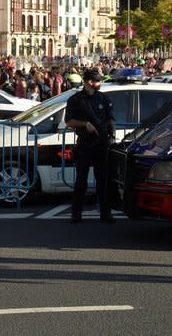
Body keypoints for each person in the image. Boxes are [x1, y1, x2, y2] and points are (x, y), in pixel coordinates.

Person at [64, 67, 116, 224]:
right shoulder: (76, 100)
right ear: (89, 82)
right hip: (85, 143)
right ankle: (76, 213)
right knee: (81, 180)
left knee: (103, 180)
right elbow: (69, 121)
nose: (100, 83)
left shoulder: (104, 99)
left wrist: (111, 134)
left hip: (102, 143)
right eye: (98, 80)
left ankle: (105, 213)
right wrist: (85, 124)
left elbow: (111, 118)